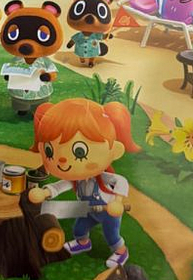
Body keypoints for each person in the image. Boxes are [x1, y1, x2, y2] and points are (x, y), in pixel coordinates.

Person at [28, 98, 140, 267]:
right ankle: (83, 242)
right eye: (50, 152)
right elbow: (61, 185)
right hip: (88, 210)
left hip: (108, 212)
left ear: (115, 151)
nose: (63, 160)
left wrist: (117, 201)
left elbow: (121, 181)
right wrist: (45, 192)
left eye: (79, 152)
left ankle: (121, 252)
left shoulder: (101, 177)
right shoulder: (77, 179)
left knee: (112, 235)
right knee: (79, 229)